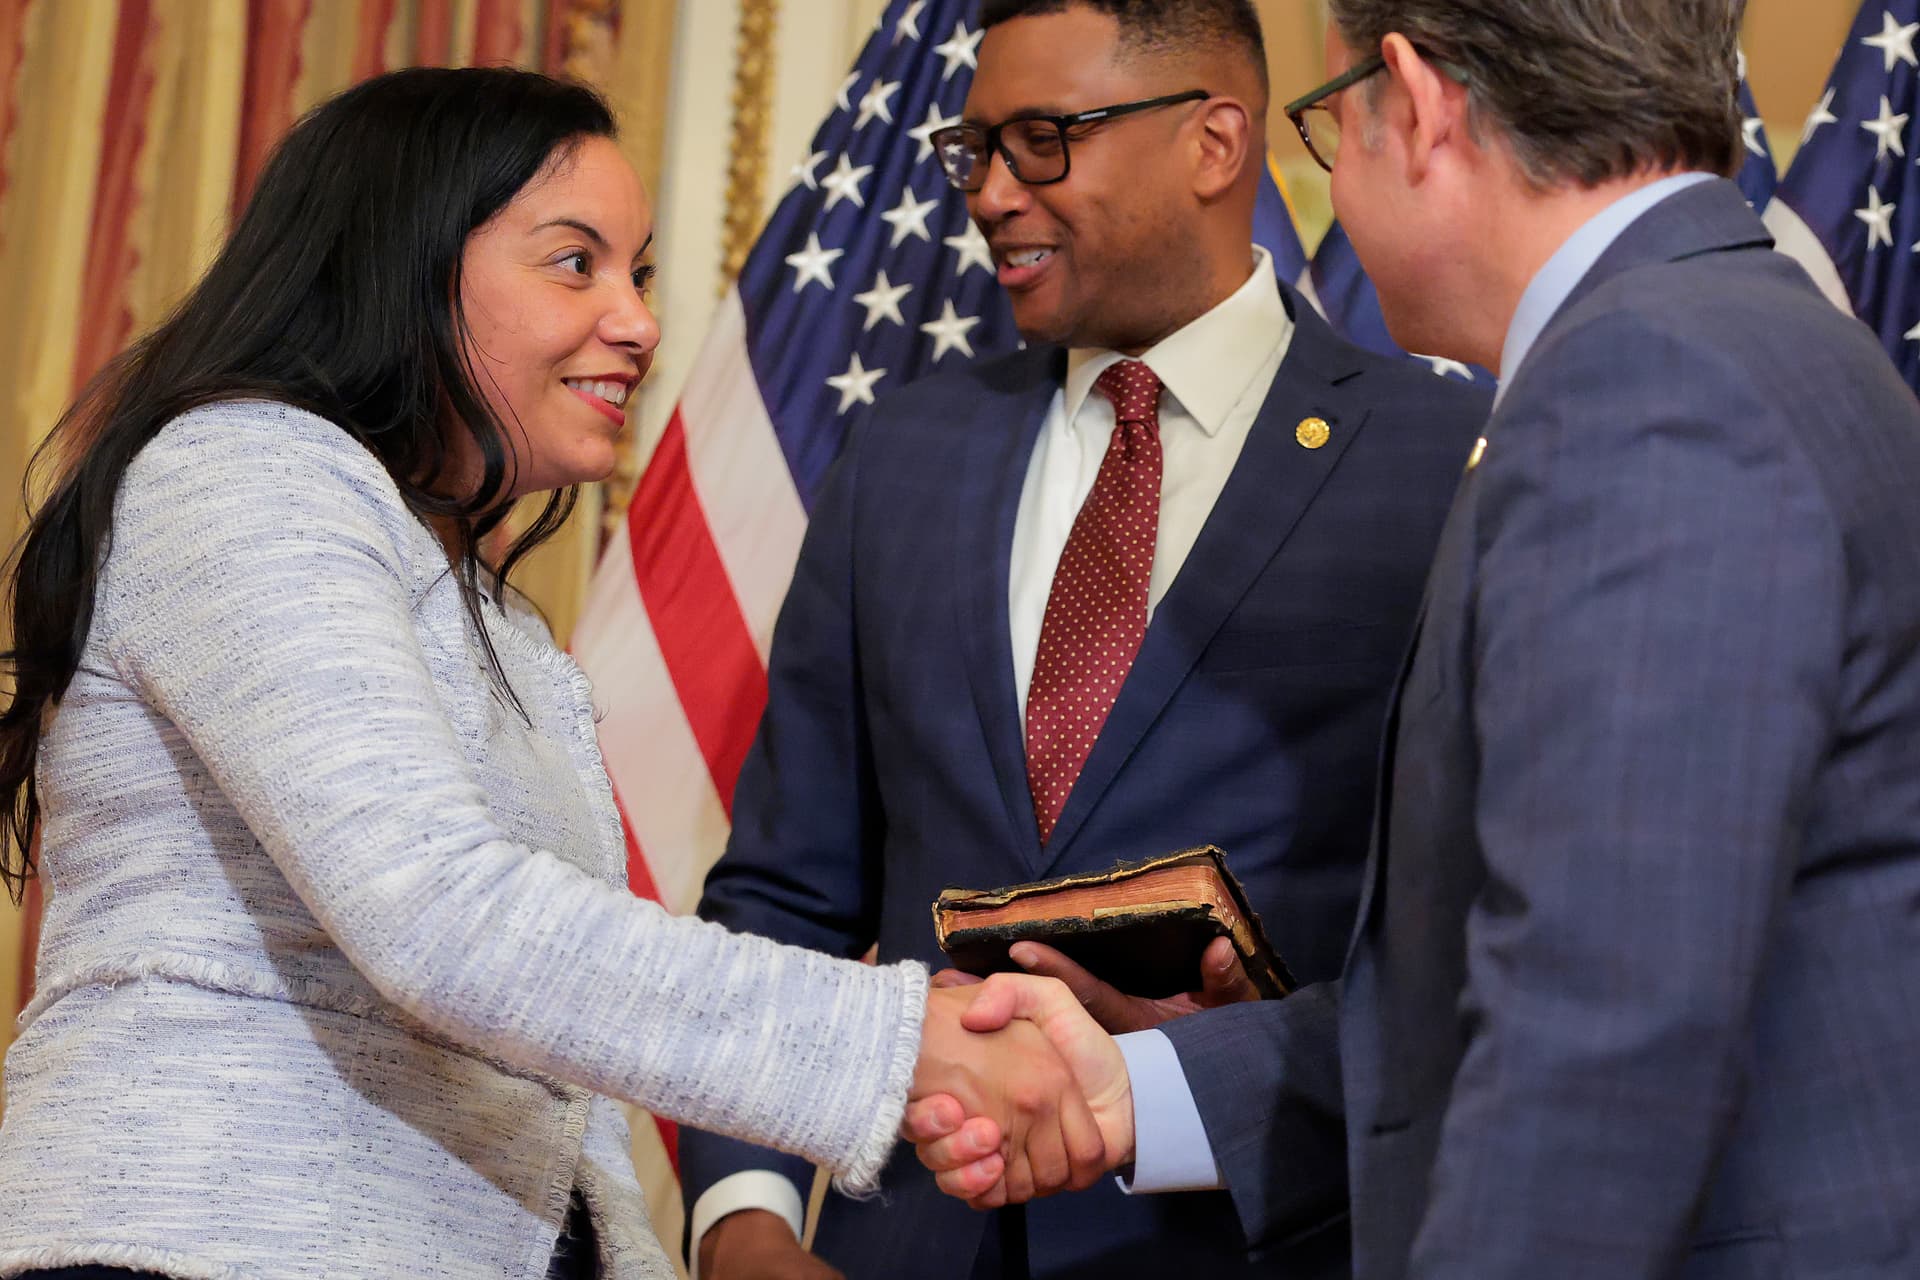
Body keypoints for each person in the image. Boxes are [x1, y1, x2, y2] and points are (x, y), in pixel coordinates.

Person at [0, 67, 1104, 1280]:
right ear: (401, 263)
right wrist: (905, 1045)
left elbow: (539, 1080)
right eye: (574, 262)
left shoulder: (487, 610)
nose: (636, 320)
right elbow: (443, 917)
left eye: (635, 270)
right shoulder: (241, 472)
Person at [911, 0, 1920, 1275]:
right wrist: (1140, 1093)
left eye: (1331, 122)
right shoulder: (1738, 338)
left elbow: (1601, 1038)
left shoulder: (1651, 385)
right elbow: (1496, 988)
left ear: (1417, 101)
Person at [678, 2, 1488, 1278]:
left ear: (1215, 143)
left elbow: (1462, 962)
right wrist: (742, 1220)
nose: (992, 193)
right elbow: (784, 891)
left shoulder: (1446, 463)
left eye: (1044, 140)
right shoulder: (902, 454)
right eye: (975, 149)